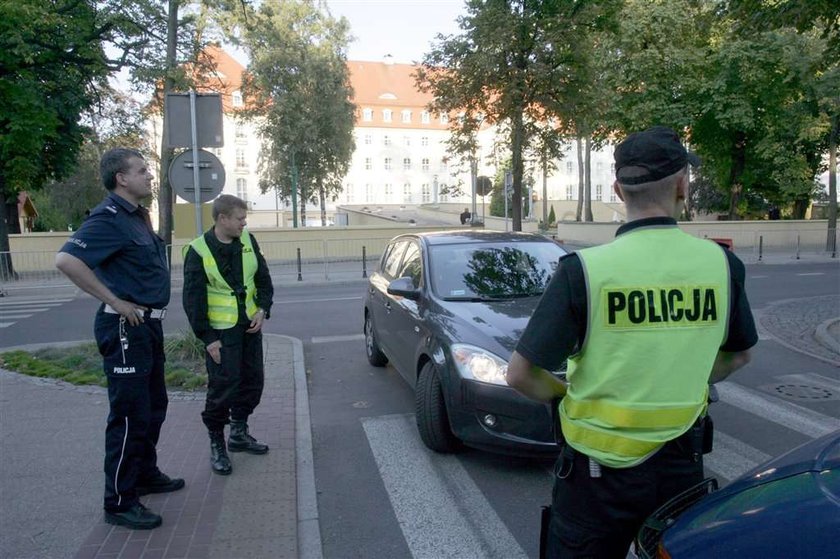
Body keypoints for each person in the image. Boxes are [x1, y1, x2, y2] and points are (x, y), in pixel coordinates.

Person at [506, 126, 758, 558]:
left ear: (618, 190)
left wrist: (565, 394)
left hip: (593, 471)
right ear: (683, 185)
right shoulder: (721, 265)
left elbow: (521, 375)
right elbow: (739, 355)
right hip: (680, 462)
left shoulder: (584, 270)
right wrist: (687, 372)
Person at [55, 148, 184, 531]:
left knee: (154, 406)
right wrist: (113, 300)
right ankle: (119, 500)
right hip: (124, 327)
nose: (149, 176)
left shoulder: (138, 217)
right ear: (121, 179)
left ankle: (144, 473)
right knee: (129, 416)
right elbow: (66, 261)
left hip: (147, 326)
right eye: (142, 171)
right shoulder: (108, 218)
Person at [182, 194, 274, 476]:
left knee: (252, 382)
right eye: (239, 219)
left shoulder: (248, 241)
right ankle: (217, 443)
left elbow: (263, 280)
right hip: (221, 334)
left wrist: (262, 309)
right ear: (222, 219)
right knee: (223, 388)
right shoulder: (198, 250)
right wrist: (208, 338)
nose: (244, 224)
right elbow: (193, 300)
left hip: (249, 327)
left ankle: (238, 433)